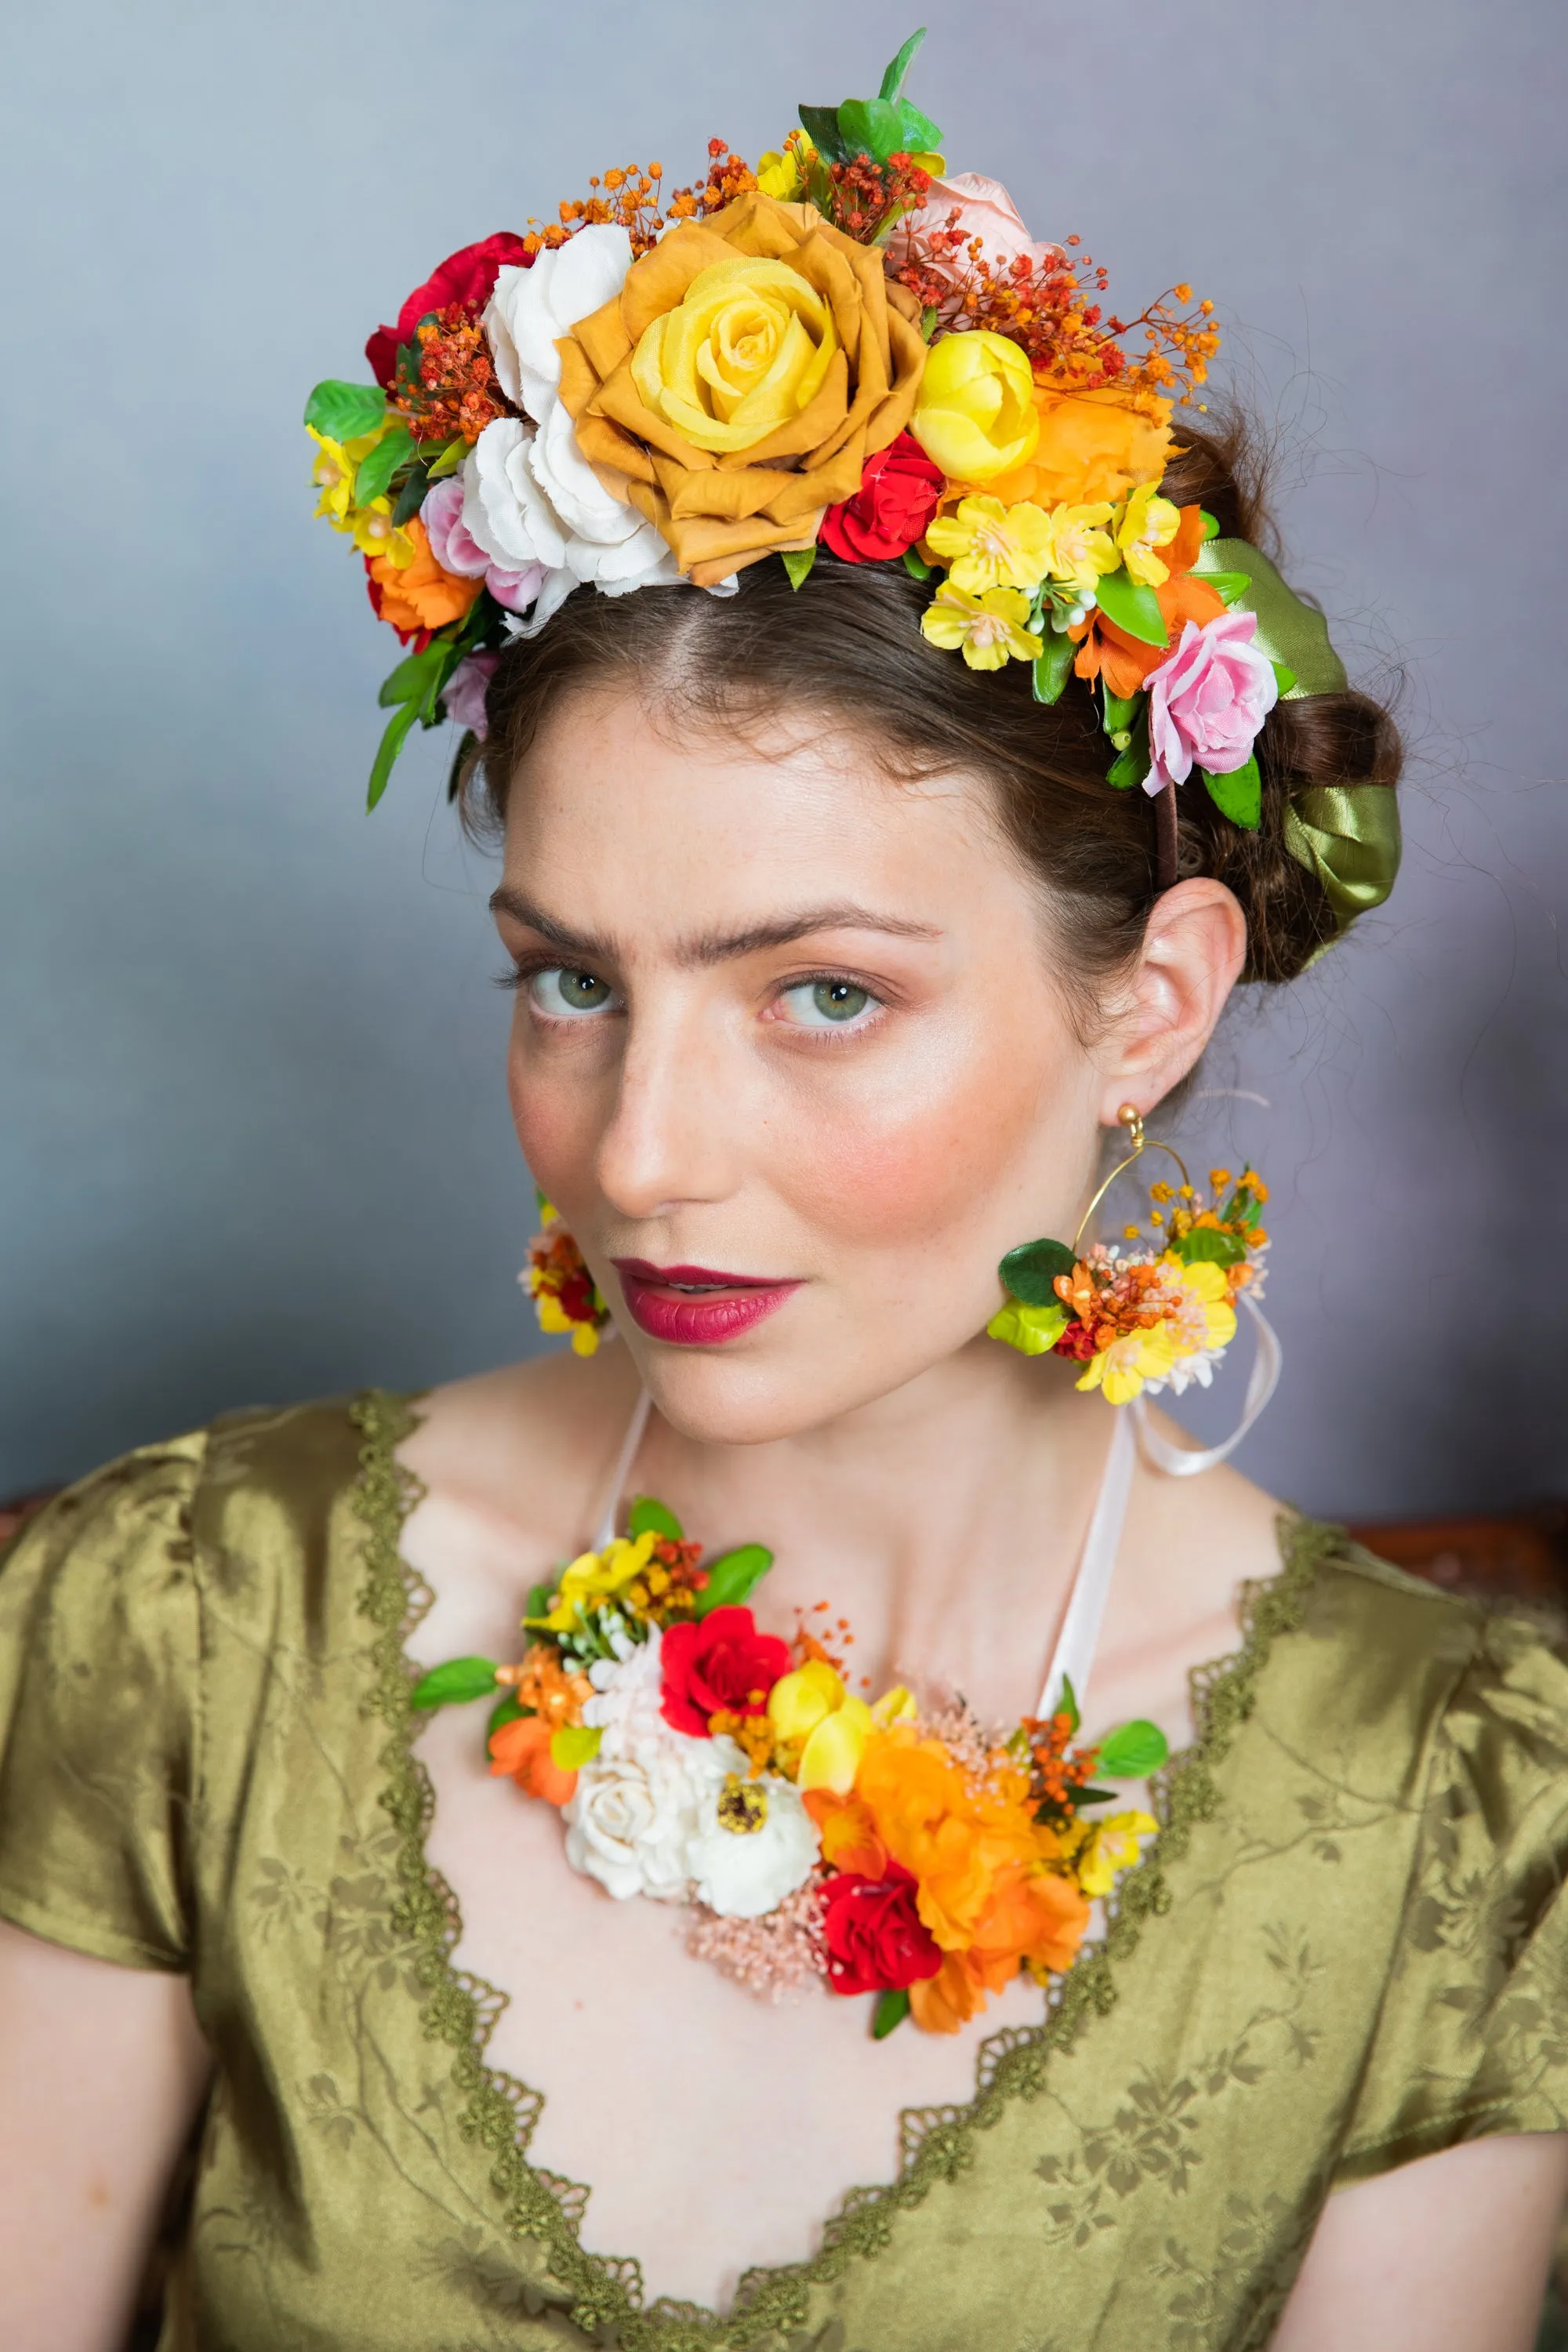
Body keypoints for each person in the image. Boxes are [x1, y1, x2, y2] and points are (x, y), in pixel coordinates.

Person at [2, 36, 1565, 2352]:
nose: (639, 1156)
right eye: (567, 983)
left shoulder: (1446, 1818)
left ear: (1148, 1005)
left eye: (822, 994)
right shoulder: (193, 1621)